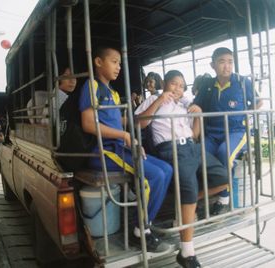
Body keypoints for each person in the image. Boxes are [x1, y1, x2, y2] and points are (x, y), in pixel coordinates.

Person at [79, 46, 172, 252]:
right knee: (155, 176)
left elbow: (117, 121)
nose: (118, 67)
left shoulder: (112, 92)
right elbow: (88, 123)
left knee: (166, 169)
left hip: (118, 148)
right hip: (103, 151)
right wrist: (125, 135)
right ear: (98, 62)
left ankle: (146, 223)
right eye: (114, 61)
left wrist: (136, 120)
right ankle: (141, 231)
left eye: (120, 63)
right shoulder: (92, 85)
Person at [135, 70, 229, 268]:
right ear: (165, 84)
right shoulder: (154, 98)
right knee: (189, 189)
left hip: (192, 147)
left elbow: (195, 135)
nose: (178, 88)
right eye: (174, 84)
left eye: (181, 85)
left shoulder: (184, 104)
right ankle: (187, 252)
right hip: (172, 148)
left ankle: (186, 205)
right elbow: (140, 123)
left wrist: (197, 116)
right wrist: (160, 100)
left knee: (224, 177)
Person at [191, 47, 262, 215]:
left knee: (224, 153)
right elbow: (197, 104)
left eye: (230, 62)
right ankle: (204, 195)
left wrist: (246, 116)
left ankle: (224, 197)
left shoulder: (243, 82)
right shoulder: (207, 85)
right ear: (213, 65)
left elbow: (258, 102)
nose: (227, 66)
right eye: (222, 62)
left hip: (236, 132)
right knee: (198, 156)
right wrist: (195, 108)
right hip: (212, 133)